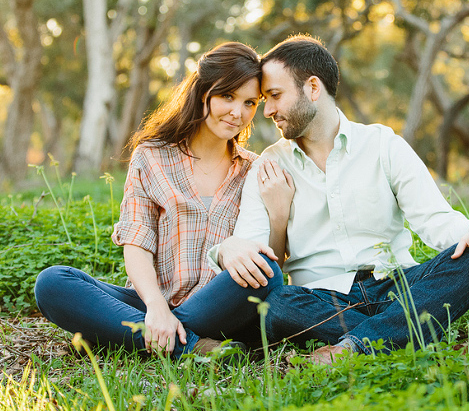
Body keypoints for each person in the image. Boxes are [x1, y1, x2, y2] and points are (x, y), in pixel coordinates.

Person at [212, 34, 469, 364]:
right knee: (276, 305)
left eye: (275, 96)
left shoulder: (383, 144)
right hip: (318, 300)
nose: (269, 110)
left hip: (395, 287)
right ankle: (406, 333)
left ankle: (355, 346)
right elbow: (254, 253)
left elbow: (435, 221)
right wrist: (231, 248)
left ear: (312, 88)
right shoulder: (268, 167)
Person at [34, 42, 294, 359]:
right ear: (203, 93)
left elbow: (268, 262)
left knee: (264, 269)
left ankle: (140, 336)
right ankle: (192, 346)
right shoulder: (152, 157)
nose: (237, 112)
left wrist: (279, 215)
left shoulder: (255, 169)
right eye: (227, 96)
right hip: (155, 300)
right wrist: (157, 308)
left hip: (225, 308)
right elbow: (137, 242)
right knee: (53, 283)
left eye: (250, 102)